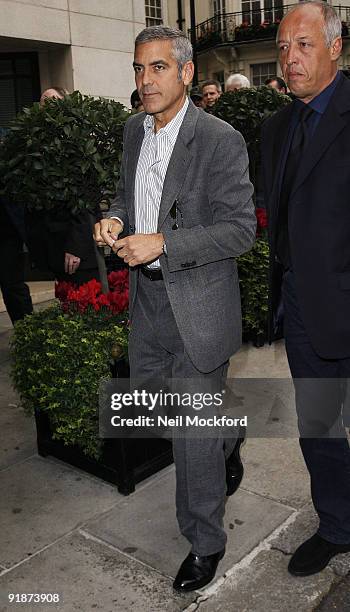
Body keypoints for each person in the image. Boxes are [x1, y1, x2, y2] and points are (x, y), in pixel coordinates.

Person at [94, 25, 256, 592]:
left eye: (158, 68)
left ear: (187, 73)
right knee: (159, 411)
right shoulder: (133, 131)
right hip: (148, 304)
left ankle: (205, 541)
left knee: (191, 435)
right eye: (139, 69)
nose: (145, 81)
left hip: (199, 307)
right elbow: (126, 192)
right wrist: (115, 217)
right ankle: (226, 434)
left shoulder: (218, 139)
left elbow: (240, 231)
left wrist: (164, 242)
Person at [261, 0, 350, 577]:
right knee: (318, 427)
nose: (291, 58)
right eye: (284, 47)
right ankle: (339, 524)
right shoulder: (273, 128)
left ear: (336, 47)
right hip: (303, 308)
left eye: (304, 45)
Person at [25, 87, 100, 285]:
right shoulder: (36, 146)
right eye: (43, 104)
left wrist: (75, 248)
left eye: (52, 102)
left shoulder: (78, 144)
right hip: (54, 250)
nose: (46, 109)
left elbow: (87, 203)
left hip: (78, 253)